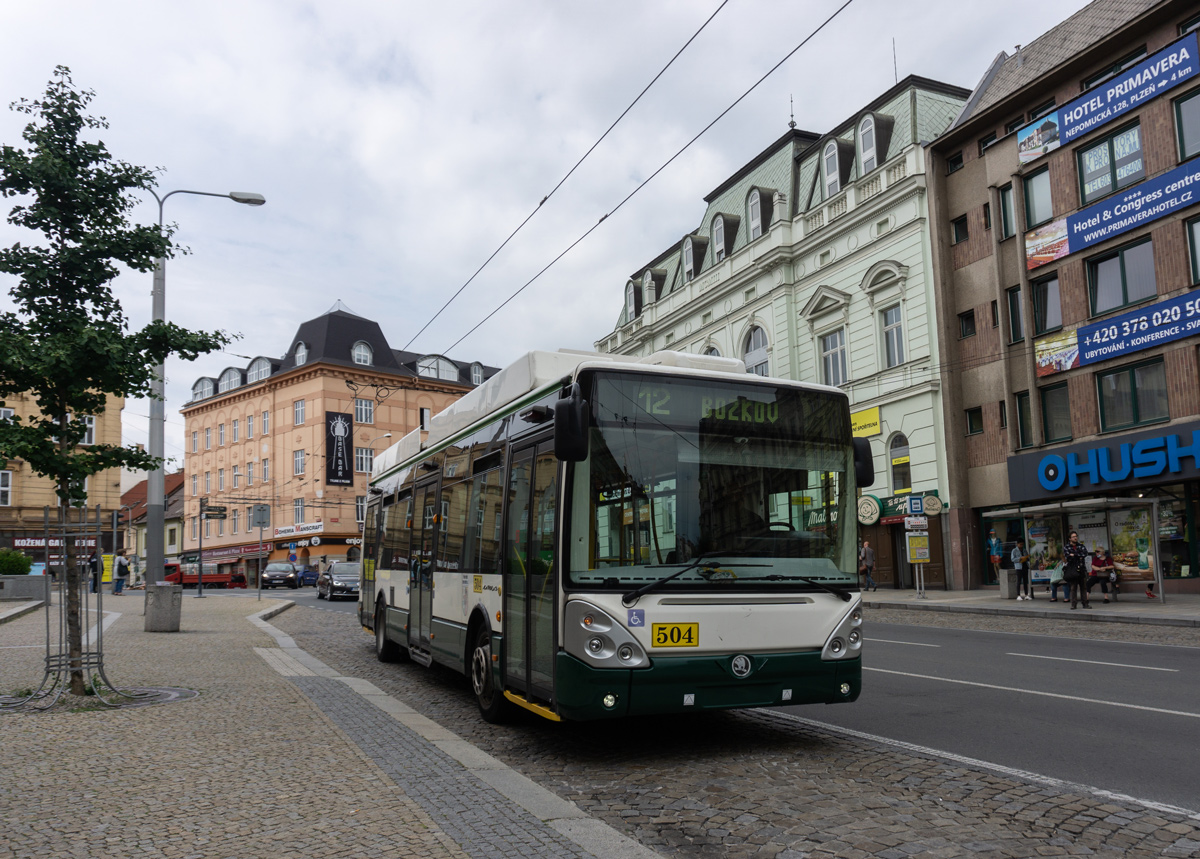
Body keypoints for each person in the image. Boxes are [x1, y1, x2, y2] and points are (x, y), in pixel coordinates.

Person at [1063, 530, 1090, 609]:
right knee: (1073, 587)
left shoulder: (1081, 545)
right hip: (1072, 569)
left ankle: (1085, 604)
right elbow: (1068, 556)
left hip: (1081, 568)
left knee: (1083, 587)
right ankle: (1073, 604)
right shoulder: (1067, 547)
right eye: (1073, 537)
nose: (1075, 538)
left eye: (1076, 536)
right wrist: (1078, 555)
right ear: (1070, 538)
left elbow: (1085, 553)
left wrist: (1074, 555)